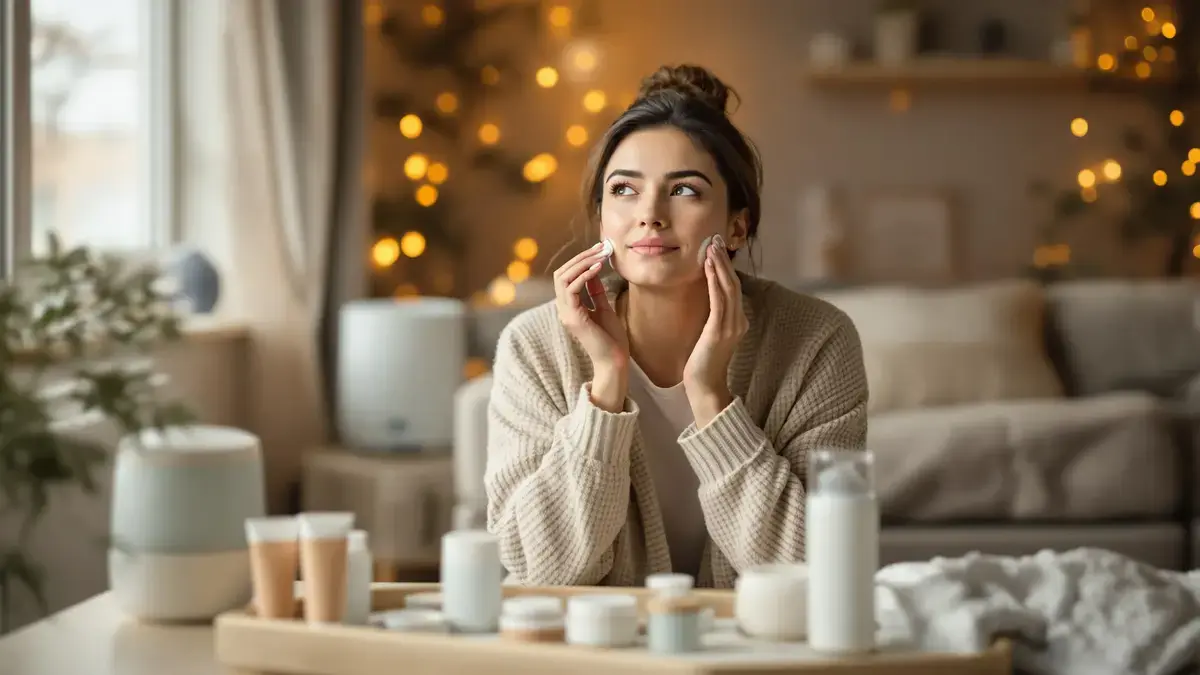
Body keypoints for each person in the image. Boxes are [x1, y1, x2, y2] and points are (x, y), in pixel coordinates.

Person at [484, 64, 868, 589]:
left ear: (738, 224)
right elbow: (541, 571)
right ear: (602, 220)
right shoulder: (534, 347)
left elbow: (815, 571)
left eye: (684, 191)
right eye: (624, 190)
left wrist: (711, 398)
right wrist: (606, 382)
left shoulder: (817, 340)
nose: (650, 215)